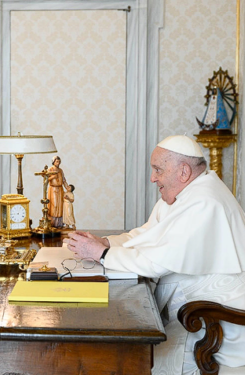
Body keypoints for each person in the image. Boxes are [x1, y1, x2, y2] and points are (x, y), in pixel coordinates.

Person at [65, 135, 245, 375]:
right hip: (194, 316)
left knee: (127, 360)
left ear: (183, 172)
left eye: (158, 169)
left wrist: (103, 254)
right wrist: (106, 243)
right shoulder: (184, 193)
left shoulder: (205, 202)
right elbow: (147, 235)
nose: (152, 178)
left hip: (215, 327)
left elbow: (157, 263)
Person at [47, 155, 69, 228]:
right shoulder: (50, 169)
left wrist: (67, 187)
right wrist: (53, 176)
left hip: (60, 189)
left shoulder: (60, 170)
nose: (58, 163)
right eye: (56, 161)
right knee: (54, 205)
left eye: (59, 161)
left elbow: (64, 180)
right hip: (53, 189)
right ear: (53, 162)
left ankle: (59, 223)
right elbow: (46, 179)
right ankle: (53, 223)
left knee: (60, 205)